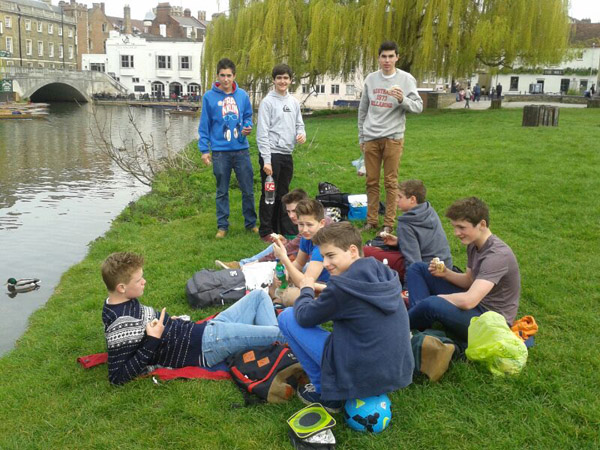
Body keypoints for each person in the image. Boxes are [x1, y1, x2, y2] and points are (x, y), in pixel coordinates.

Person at [277, 222, 413, 412]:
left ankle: (326, 394)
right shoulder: (383, 271)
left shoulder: (342, 288)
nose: (325, 263)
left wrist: (306, 289)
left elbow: (304, 317)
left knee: (287, 317)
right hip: (397, 370)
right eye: (323, 257)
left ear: (352, 251)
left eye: (331, 255)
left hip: (362, 373)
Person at [101, 252, 284, 385]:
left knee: (259, 296)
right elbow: (117, 377)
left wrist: (169, 322)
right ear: (121, 288)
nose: (144, 281)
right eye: (138, 280)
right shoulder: (120, 324)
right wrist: (153, 339)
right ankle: (280, 346)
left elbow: (141, 330)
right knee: (281, 333)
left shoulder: (120, 302)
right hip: (207, 345)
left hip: (206, 330)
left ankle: (273, 345)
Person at [407, 197, 521, 343]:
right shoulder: (474, 244)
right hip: (476, 303)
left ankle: (402, 324)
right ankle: (419, 320)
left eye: (461, 227)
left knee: (431, 303)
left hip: (490, 323)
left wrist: (438, 298)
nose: (456, 233)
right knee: (418, 268)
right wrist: (446, 274)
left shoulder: (497, 256)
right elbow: (469, 280)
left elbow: (469, 301)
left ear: (482, 224)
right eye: (455, 227)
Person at [358, 40, 423, 233]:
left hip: (393, 137)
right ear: (378, 58)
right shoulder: (371, 79)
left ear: (397, 58)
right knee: (371, 181)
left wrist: (402, 99)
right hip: (371, 137)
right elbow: (363, 110)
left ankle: (388, 223)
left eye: (391, 56)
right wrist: (362, 136)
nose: (387, 60)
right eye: (383, 56)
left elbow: (418, 107)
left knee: (391, 182)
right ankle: (371, 221)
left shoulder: (406, 79)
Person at [198, 58, 257, 239]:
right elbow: (204, 125)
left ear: (234, 76)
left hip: (241, 150)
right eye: (222, 75)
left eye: (229, 75)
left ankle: (251, 223)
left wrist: (247, 126)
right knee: (222, 191)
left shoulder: (242, 95)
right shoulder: (209, 97)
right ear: (217, 76)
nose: (226, 79)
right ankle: (222, 226)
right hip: (220, 152)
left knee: (248, 189)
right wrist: (204, 150)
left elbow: (248, 116)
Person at [257, 64, 306, 241]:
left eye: (286, 78)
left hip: (286, 154)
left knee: (284, 194)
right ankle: (266, 230)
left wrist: (302, 134)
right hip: (271, 154)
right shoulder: (267, 102)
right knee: (269, 194)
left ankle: (282, 228)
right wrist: (266, 160)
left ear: (291, 80)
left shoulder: (293, 102)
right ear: (273, 80)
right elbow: (262, 133)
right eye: (279, 78)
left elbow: (299, 124)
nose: (282, 81)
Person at [364, 179, 452, 280]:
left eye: (400, 197)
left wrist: (409, 287)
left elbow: (413, 262)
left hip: (429, 273)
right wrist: (399, 242)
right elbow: (425, 243)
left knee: (366, 252)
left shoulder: (406, 223)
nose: (396, 200)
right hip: (445, 267)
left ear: (412, 199)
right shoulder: (429, 211)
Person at [215, 189, 309, 269]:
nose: (291, 215)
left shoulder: (307, 227)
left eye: (294, 211)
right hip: (305, 260)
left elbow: (290, 248)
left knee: (282, 265)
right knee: (278, 246)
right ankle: (242, 265)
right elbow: (295, 245)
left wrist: (257, 263)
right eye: (288, 211)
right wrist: (285, 242)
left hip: (312, 266)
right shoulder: (306, 222)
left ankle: (247, 267)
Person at [272, 199, 330, 303]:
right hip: (313, 281)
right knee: (276, 277)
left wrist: (284, 258)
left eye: (309, 225)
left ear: (322, 223)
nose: (304, 229)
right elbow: (299, 263)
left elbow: (305, 283)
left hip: (328, 286)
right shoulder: (306, 237)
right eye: (301, 224)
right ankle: (276, 301)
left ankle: (278, 302)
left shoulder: (322, 246)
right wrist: (285, 274)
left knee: (291, 296)